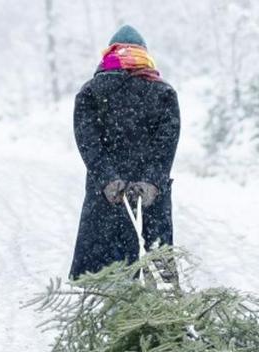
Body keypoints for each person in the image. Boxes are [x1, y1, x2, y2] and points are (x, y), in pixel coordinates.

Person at [69, 25, 181, 280]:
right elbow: (167, 143)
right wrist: (151, 181)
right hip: (151, 197)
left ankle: (115, 313)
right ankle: (161, 314)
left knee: (110, 274)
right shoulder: (163, 92)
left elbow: (88, 142)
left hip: (107, 195)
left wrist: (108, 178)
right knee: (157, 265)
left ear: (109, 54)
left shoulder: (91, 92)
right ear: (144, 54)